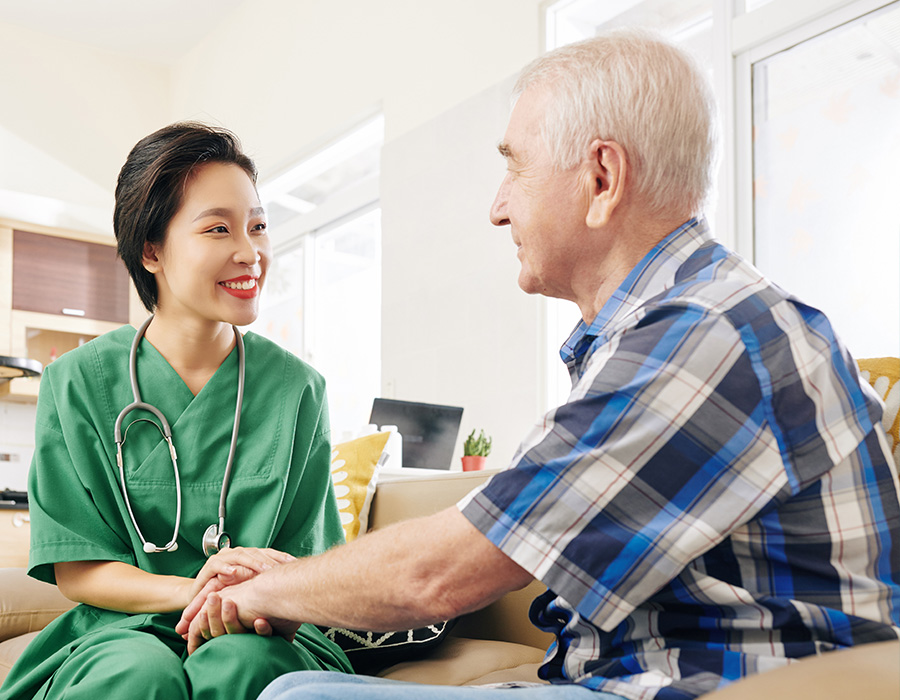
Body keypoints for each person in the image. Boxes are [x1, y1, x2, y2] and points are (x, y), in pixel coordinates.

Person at [179, 30, 900, 700]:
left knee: (298, 695)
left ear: (601, 177)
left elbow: (442, 570)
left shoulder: (709, 332)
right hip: (627, 678)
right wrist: (295, 580)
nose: (497, 209)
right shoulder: (654, 333)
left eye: (513, 168)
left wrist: (262, 591)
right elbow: (495, 524)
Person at [0, 123, 352, 700]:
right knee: (135, 674)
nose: (251, 251)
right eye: (218, 228)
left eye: (258, 226)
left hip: (261, 627)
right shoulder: (76, 382)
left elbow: (310, 566)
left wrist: (254, 597)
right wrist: (196, 590)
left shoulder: (297, 390)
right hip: (122, 627)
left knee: (243, 665)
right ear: (151, 250)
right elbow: (78, 568)